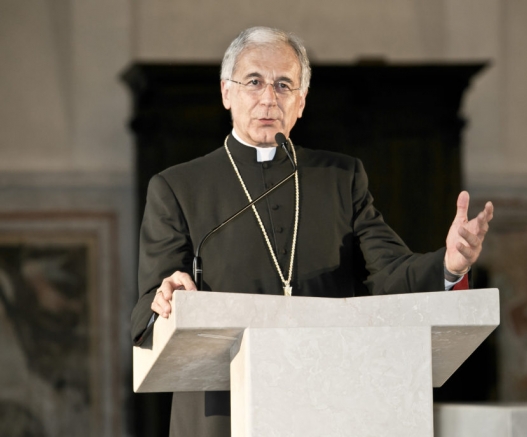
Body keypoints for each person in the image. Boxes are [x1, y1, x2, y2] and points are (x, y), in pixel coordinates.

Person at [131, 26, 494, 436]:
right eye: (254, 82)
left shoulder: (339, 177)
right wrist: (168, 298)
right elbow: (145, 306)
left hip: (329, 401)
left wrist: (449, 264)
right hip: (221, 407)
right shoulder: (177, 187)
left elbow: (391, 269)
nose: (269, 97)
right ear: (226, 93)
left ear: (301, 102)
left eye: (284, 85)